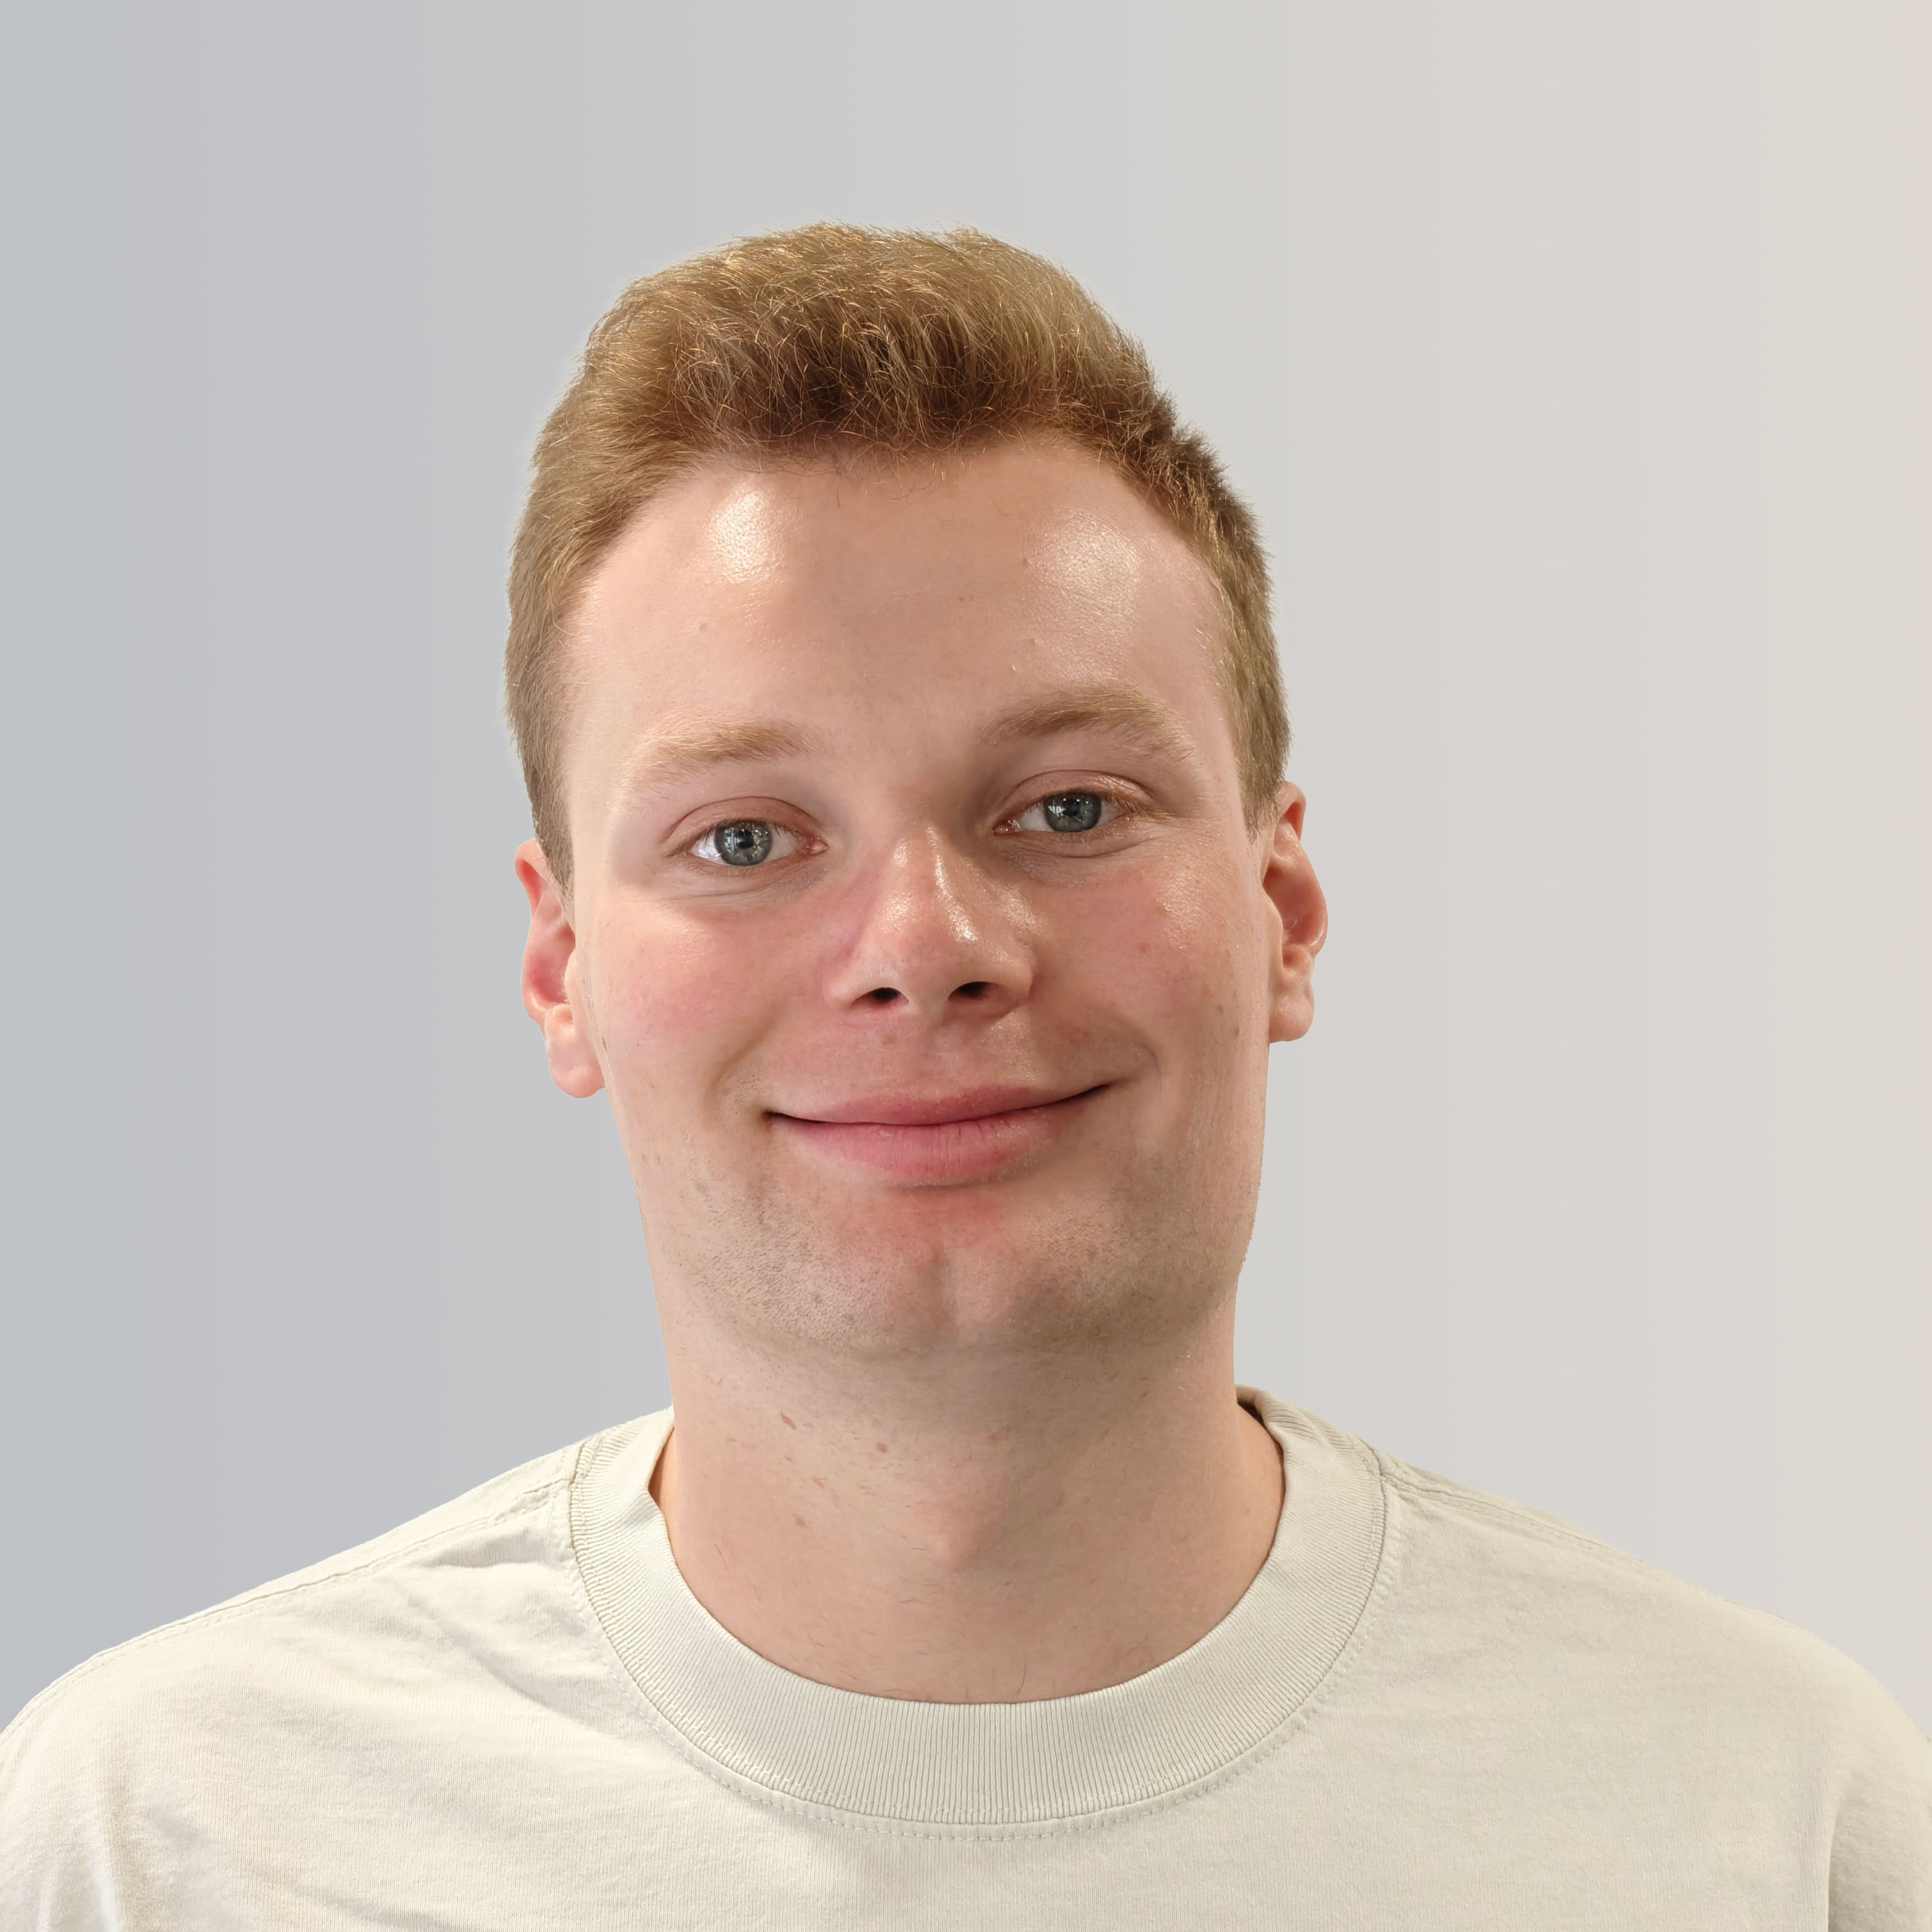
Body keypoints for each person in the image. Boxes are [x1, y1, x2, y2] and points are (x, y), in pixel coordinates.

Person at [3, 225, 1926, 1929]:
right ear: (560, 965)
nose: (926, 940)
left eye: (1070, 805)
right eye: (748, 839)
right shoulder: (158, 1844)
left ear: (1288, 911)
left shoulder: (1772, 1822)